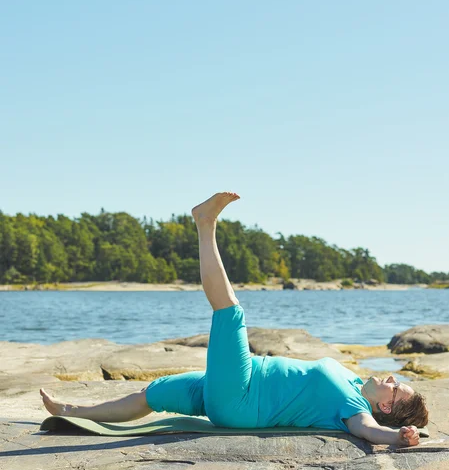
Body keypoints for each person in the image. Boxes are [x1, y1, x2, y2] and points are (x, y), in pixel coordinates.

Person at [40, 192, 429, 447]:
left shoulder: (353, 408)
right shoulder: (352, 379)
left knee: (230, 312)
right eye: (398, 379)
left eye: (397, 389)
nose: (391, 379)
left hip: (240, 397)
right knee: (151, 395)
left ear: (386, 408)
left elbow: (368, 431)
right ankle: (73, 412)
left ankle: (204, 224)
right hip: (231, 386)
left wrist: (399, 438)